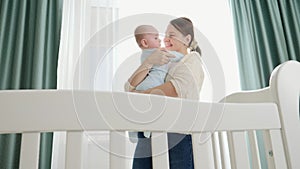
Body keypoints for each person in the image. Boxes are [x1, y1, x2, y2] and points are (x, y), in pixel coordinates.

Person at [125, 17, 204, 169]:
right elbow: (128, 87)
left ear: (187, 39)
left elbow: (176, 90)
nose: (165, 39)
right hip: (151, 130)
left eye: (172, 35)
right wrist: (148, 62)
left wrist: (138, 96)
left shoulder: (191, 59)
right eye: (165, 35)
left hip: (177, 132)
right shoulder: (161, 60)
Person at [128, 25, 185, 142]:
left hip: (145, 83)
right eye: (155, 38)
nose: (160, 40)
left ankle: (134, 131)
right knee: (151, 110)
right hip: (151, 84)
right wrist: (185, 56)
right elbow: (175, 56)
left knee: (141, 110)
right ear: (144, 42)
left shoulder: (145, 54)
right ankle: (147, 130)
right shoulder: (157, 52)